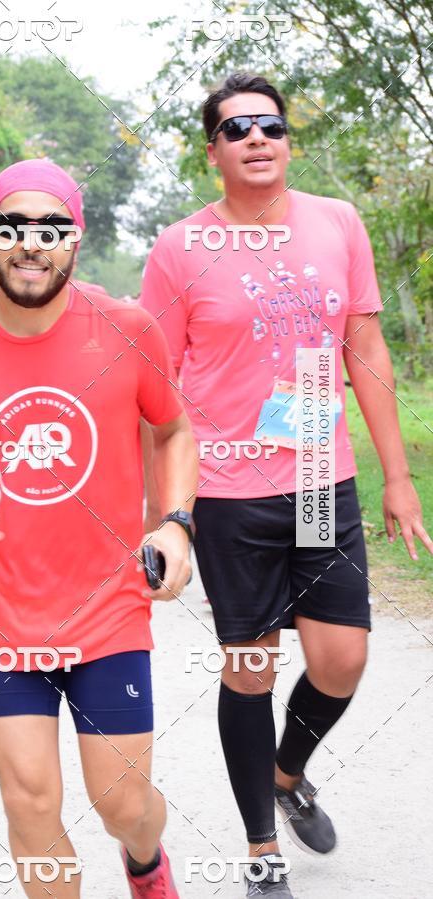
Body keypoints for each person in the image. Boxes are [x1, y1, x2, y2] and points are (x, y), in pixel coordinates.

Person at [140, 72, 432, 898]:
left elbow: (365, 348)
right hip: (226, 487)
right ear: (214, 153)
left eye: (270, 125)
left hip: (315, 474)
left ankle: (286, 770)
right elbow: (153, 389)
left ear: (288, 141)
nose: (257, 138)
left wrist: (399, 479)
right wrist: (156, 515)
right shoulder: (180, 247)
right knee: (250, 668)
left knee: (342, 658)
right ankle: (262, 848)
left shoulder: (337, 221)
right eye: (238, 129)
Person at [0, 158, 198, 899]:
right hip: (2, 617)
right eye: (11, 226)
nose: (31, 242)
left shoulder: (126, 330)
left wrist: (177, 524)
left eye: (50, 227)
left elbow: (173, 428)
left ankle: (145, 859)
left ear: (75, 240)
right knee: (29, 801)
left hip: (108, 610)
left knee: (122, 803)